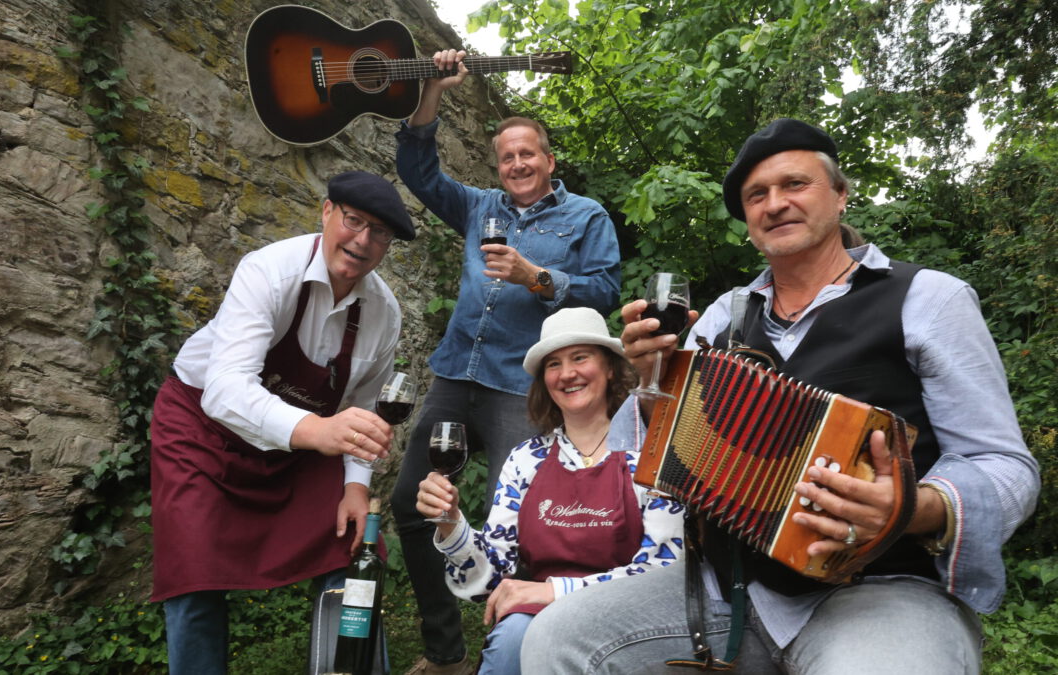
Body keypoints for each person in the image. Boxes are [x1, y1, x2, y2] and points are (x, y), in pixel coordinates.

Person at [521, 118, 1041, 674]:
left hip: (881, 588)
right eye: (757, 195)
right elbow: (652, 450)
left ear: (840, 195)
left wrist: (913, 508)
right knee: (557, 640)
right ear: (748, 222)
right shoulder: (720, 317)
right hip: (727, 589)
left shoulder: (929, 299)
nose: (775, 204)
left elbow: (1004, 465)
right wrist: (653, 381)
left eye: (795, 184)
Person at [392, 50, 622, 674]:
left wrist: (536, 276)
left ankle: (515, 651)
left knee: (519, 525)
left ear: (549, 160)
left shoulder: (586, 216)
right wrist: (433, 89)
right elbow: (417, 170)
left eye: (528, 154)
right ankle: (446, 651)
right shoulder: (479, 207)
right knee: (411, 503)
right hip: (454, 374)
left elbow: (605, 291)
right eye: (507, 157)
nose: (517, 164)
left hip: (518, 387)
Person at [149, 171, 415, 674]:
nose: (362, 240)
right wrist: (319, 431)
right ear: (327, 212)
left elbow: (362, 411)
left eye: (379, 232)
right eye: (353, 220)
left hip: (299, 450)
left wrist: (355, 487)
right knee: (193, 575)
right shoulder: (269, 271)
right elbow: (225, 389)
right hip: (201, 430)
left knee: (355, 549)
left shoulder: (384, 314)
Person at [415, 307, 685, 675]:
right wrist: (450, 524)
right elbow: (490, 580)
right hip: (537, 614)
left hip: (631, 620)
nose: (567, 373)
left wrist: (557, 591)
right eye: (554, 364)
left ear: (609, 367)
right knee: (511, 639)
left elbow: (663, 570)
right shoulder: (527, 459)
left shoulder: (651, 453)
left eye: (580, 357)